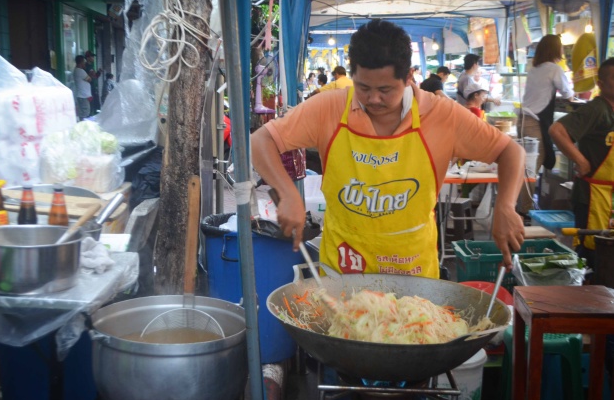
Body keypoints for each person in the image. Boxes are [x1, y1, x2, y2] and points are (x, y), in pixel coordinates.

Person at [251, 19, 525, 278]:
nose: (373, 99)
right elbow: (261, 140)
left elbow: (510, 152)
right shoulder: (330, 107)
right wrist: (287, 193)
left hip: (413, 276)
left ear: (408, 77)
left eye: (385, 89)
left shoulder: (441, 115)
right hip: (343, 274)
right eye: (363, 87)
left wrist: (506, 207)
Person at [549, 57, 614, 268]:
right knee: (592, 255)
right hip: (592, 197)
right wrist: (580, 160)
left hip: (609, 196)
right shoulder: (597, 109)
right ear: (601, 84)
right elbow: (556, 130)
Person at [517, 34, 575, 215]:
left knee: (525, 167)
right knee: (530, 169)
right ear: (556, 49)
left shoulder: (534, 67)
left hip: (524, 121)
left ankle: (520, 207)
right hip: (535, 123)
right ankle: (523, 211)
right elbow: (568, 94)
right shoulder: (554, 69)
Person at [73, 55, 92, 120]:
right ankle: (83, 127)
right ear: (81, 62)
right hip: (83, 96)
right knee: (85, 113)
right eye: (84, 62)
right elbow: (89, 79)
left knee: (83, 112)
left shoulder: (77, 70)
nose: (85, 64)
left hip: (82, 95)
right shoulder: (80, 71)